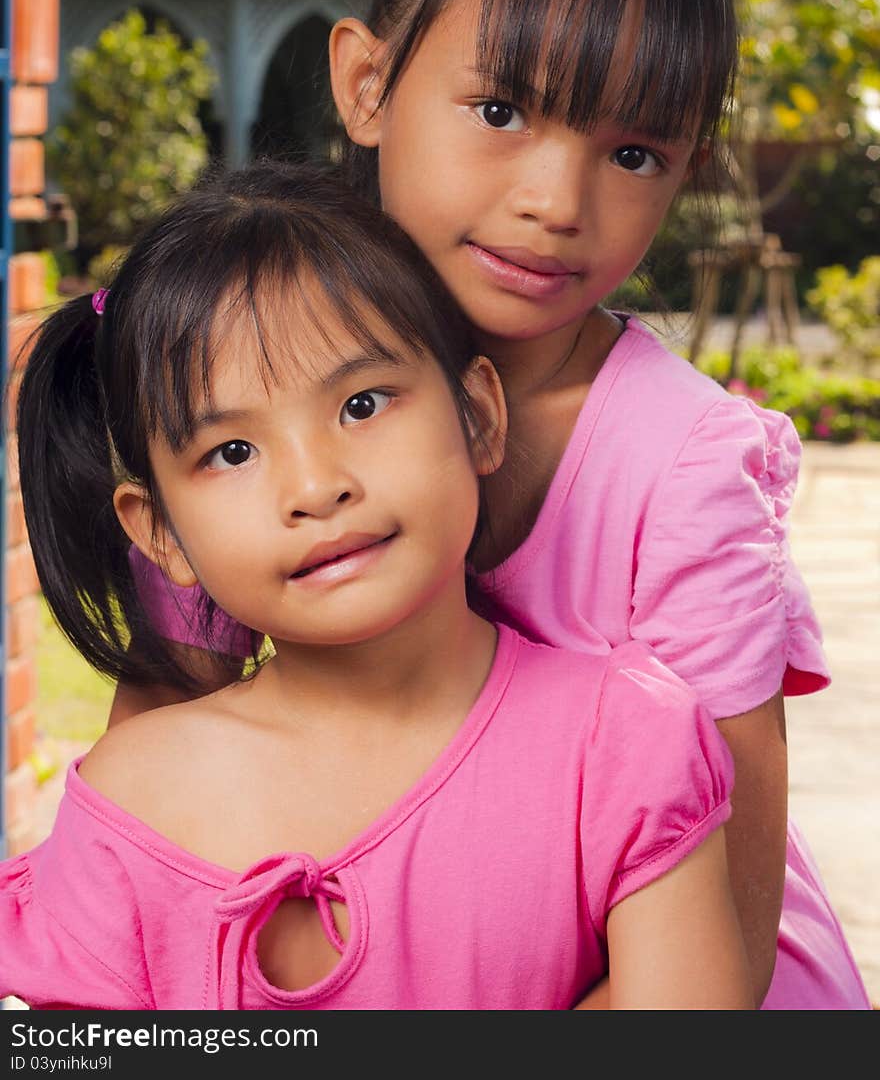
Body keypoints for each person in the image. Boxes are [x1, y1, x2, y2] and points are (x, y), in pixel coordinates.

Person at [115, 0, 871, 1010]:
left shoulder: (680, 471)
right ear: (366, 84)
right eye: (502, 109)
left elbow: (720, 960)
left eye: (633, 151)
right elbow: (153, 782)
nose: (558, 201)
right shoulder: (253, 397)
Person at [1, 161, 752, 1011]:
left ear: (478, 415)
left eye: (362, 404)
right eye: (232, 453)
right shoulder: (130, 796)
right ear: (160, 533)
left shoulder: (622, 746)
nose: (316, 487)